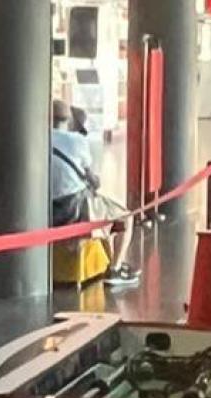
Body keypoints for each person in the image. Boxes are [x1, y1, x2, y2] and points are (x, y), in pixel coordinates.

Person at [52, 99, 138, 287]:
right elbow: (92, 180)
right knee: (125, 216)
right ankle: (114, 270)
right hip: (74, 210)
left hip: (48, 211)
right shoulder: (77, 141)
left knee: (102, 208)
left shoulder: (39, 142)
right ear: (69, 121)